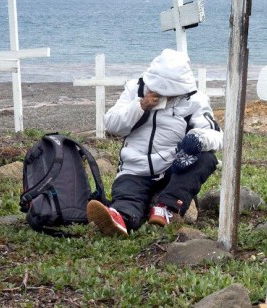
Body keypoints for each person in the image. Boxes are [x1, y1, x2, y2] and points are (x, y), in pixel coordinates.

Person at [86, 49, 223, 237]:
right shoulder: (135, 89)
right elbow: (111, 124)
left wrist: (197, 139)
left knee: (206, 158)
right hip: (134, 167)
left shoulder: (194, 100)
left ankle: (166, 208)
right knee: (128, 198)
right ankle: (120, 218)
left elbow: (216, 135)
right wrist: (140, 106)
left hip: (172, 167)